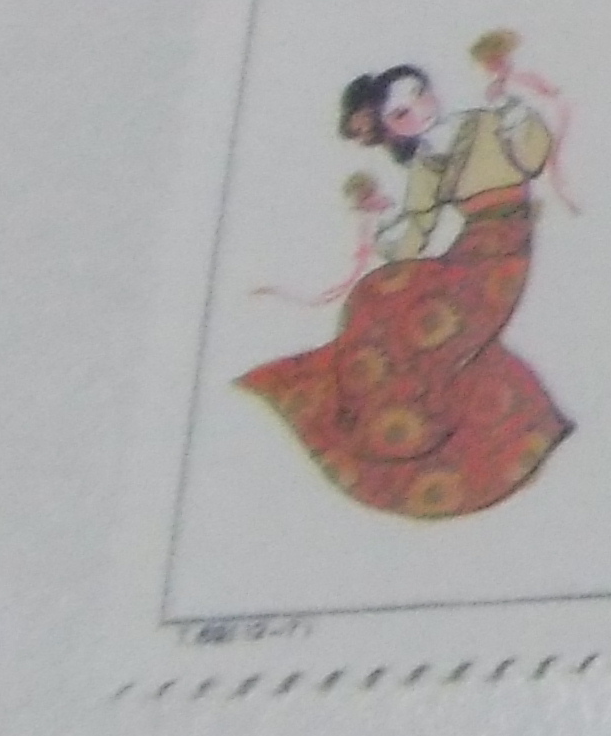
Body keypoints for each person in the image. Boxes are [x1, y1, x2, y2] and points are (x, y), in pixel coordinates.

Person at [235, 33, 575, 517]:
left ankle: (411, 416)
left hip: (501, 253)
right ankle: (401, 415)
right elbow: (413, 235)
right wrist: (376, 219)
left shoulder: (483, 122)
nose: (418, 109)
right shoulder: (427, 163)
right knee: (376, 293)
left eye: (419, 94)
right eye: (401, 113)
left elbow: (534, 155)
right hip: (471, 250)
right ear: (392, 130)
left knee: (420, 317)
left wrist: (511, 107)